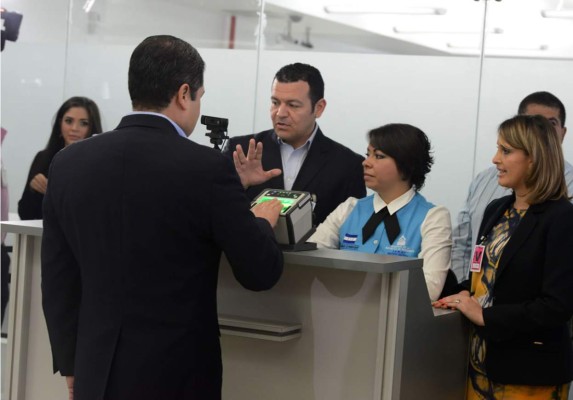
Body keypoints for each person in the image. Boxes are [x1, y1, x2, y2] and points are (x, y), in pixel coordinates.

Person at [41, 35, 284, 400]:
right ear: (184, 94)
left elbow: (58, 276)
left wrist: (71, 362)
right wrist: (263, 219)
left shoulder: (68, 163)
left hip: (96, 368)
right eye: (200, 97)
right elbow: (258, 271)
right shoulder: (206, 169)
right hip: (177, 373)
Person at [435, 115, 573, 399]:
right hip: (479, 366)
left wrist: (486, 315)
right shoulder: (497, 209)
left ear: (534, 158)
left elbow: (557, 306)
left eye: (506, 151)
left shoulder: (562, 218)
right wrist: (461, 296)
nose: (495, 159)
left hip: (528, 375)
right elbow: (487, 279)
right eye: (498, 148)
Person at [308, 124, 452, 301]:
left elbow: (429, 289)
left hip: (397, 322)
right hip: (339, 312)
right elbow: (311, 257)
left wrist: (357, 287)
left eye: (378, 156)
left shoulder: (433, 217)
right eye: (368, 154)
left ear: (406, 164)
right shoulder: (350, 208)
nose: (366, 162)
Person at [451, 91, 573, 281]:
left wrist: (484, 312)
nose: (496, 159)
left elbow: (555, 300)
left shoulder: (562, 214)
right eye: (530, 122)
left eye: (548, 124)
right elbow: (464, 244)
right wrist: (464, 292)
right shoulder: (493, 201)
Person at [223, 62, 366, 225]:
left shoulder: (348, 165)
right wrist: (241, 185)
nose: (280, 113)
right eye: (275, 102)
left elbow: (351, 232)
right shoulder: (242, 151)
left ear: (319, 108)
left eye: (292, 105)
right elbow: (213, 213)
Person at [18, 96, 103, 220]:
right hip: (44, 236)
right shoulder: (43, 158)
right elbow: (24, 214)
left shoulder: (99, 163)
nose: (74, 128)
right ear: (60, 123)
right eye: (69, 121)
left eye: (83, 123)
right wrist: (33, 190)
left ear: (92, 127)